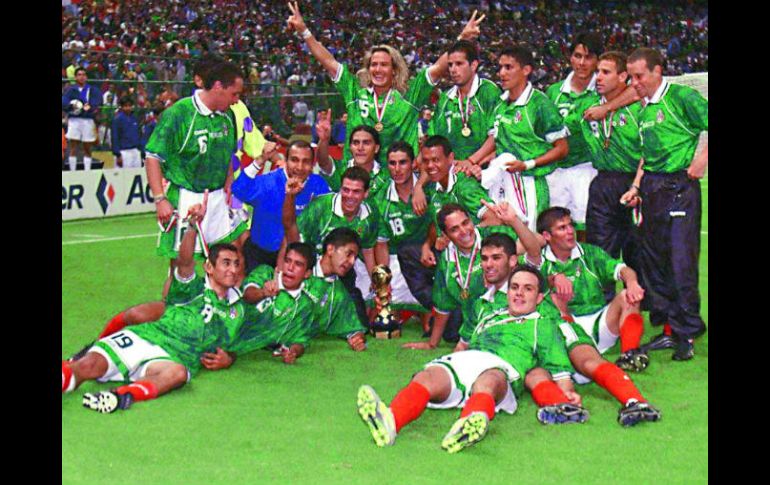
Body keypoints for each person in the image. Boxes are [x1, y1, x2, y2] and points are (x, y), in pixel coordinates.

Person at [356, 265, 585, 454]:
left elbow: (557, 366)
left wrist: (566, 394)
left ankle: (469, 423)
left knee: (488, 381)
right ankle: (390, 422)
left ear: (539, 297)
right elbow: (464, 342)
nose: (519, 294)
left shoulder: (542, 324)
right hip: (467, 359)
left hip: (502, 367)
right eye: (514, 287)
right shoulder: (489, 313)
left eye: (528, 289)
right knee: (427, 377)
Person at [62, 196, 244, 413]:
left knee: (177, 374)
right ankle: (82, 359)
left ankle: (119, 397)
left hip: (174, 357)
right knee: (87, 367)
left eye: (236, 264)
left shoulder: (238, 309)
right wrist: (192, 227)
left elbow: (240, 342)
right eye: (226, 263)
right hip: (147, 337)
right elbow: (185, 262)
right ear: (209, 268)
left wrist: (230, 358)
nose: (233, 270)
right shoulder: (193, 288)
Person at [285, 2, 484, 163]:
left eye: (384, 65)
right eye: (374, 64)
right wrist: (304, 31)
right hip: (358, 181)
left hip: (397, 182)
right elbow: (328, 61)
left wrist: (463, 38)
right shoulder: (354, 93)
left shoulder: (409, 96)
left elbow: (439, 67)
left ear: (394, 69)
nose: (378, 69)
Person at [527, 207, 661, 426]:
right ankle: (566, 399)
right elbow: (534, 280)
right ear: (546, 236)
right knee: (540, 368)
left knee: (628, 297)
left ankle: (629, 354)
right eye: (562, 228)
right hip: (564, 327)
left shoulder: (590, 253)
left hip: (597, 322)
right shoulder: (538, 262)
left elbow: (624, 270)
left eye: (570, 225)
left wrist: (632, 282)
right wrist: (552, 279)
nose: (570, 231)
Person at [626, 47, 708, 361]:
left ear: (657, 71)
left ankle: (687, 332)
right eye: (631, 77)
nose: (634, 83)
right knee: (655, 261)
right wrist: (637, 186)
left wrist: (702, 159)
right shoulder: (645, 109)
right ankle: (672, 329)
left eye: (639, 76)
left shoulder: (681, 97)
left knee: (680, 261)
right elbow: (647, 155)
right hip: (652, 188)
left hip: (679, 187)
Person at [144, 60, 249, 296]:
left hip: (218, 197)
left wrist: (229, 182)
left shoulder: (227, 116)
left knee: (233, 257)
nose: (236, 100)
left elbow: (227, 155)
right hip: (185, 197)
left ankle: (228, 309)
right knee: (180, 268)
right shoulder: (179, 113)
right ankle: (173, 313)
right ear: (218, 86)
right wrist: (160, 199)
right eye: (234, 94)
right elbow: (152, 157)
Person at [462, 44, 569, 233]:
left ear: (526, 70)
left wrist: (527, 164)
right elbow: (498, 142)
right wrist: (475, 163)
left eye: (508, 67)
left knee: (530, 236)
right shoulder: (500, 104)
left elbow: (562, 149)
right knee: (505, 235)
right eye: (500, 68)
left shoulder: (539, 104)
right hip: (503, 179)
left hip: (531, 181)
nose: (501, 73)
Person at [281, 166, 381, 327]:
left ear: (366, 193)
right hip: (311, 268)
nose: (349, 196)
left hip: (343, 271)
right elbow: (291, 236)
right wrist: (281, 270)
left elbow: (368, 252)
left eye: (356, 191)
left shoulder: (370, 215)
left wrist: (378, 286)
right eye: (346, 190)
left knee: (360, 323)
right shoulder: (320, 206)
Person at [580, 51, 644, 285]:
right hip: (603, 184)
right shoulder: (587, 105)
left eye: (605, 72)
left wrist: (608, 108)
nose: (598, 77)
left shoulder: (640, 109)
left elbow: (637, 91)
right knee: (599, 253)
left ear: (623, 76)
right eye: (597, 71)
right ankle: (603, 303)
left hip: (635, 183)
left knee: (639, 253)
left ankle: (639, 301)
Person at [232, 140, 330, 273]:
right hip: (260, 256)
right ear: (286, 161)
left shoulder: (319, 186)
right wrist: (261, 159)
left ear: (312, 165)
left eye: (306, 161)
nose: (300, 167)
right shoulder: (268, 183)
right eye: (294, 160)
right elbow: (238, 189)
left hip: (299, 259)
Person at [544, 33, 602, 237]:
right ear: (570, 58)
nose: (582, 63)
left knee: (585, 229)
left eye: (588, 57)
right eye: (577, 56)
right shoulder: (553, 92)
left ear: (597, 61)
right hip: (556, 170)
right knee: (554, 229)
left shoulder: (603, 91)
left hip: (587, 168)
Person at [429, 40, 501, 163]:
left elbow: (496, 134)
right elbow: (435, 137)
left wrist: (471, 161)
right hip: (451, 168)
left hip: (482, 167)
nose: (453, 69)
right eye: (450, 65)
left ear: (473, 65)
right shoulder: (445, 98)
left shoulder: (488, 91)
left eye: (459, 64)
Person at [316, 113, 390, 198]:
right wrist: (324, 140)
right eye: (356, 143)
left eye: (366, 143)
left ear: (376, 148)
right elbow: (323, 162)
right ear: (350, 147)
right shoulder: (341, 169)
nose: (360, 148)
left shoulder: (386, 175)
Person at [62, 67, 102, 171]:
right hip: (74, 120)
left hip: (88, 120)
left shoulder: (92, 89)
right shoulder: (71, 90)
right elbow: (64, 101)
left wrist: (91, 107)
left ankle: (87, 171)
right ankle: (72, 171)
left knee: (87, 147)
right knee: (73, 147)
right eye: (79, 75)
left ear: (86, 77)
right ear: (75, 77)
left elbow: (97, 101)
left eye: (83, 75)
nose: (81, 77)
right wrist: (71, 106)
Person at [111, 96, 143, 169]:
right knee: (123, 174)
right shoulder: (117, 119)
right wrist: (118, 154)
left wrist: (140, 149)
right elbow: (115, 137)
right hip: (123, 152)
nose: (128, 108)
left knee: (137, 173)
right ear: (121, 107)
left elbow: (139, 134)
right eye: (125, 106)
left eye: (129, 106)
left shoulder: (134, 118)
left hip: (135, 150)